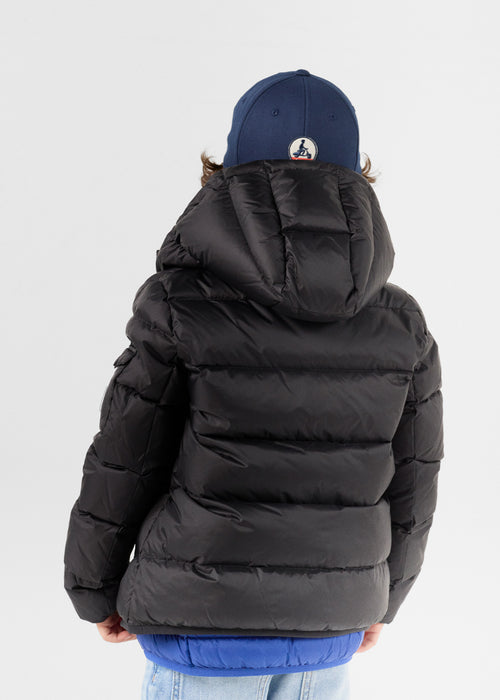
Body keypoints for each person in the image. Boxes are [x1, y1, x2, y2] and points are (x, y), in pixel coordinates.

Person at [63, 69, 444, 700]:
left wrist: (94, 587)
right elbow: (415, 480)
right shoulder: (402, 323)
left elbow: (125, 458)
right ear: (357, 177)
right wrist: (386, 597)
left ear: (226, 172)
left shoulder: (178, 304)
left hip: (199, 621)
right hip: (330, 627)